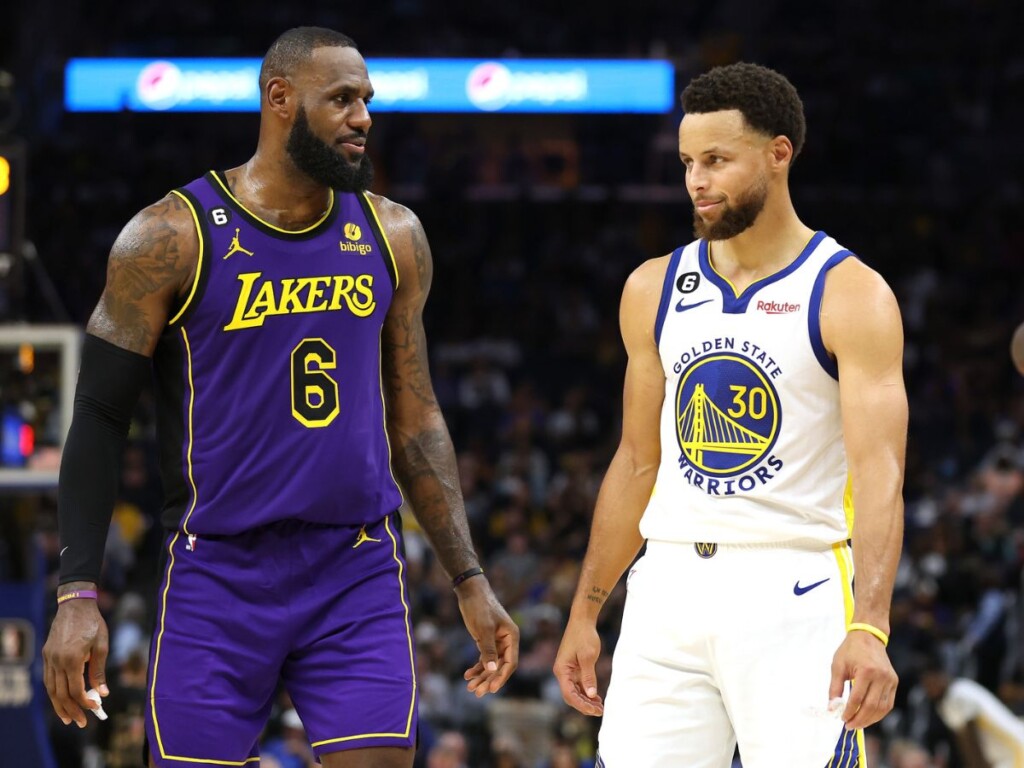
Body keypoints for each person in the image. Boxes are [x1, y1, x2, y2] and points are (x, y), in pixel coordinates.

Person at [42, 26, 519, 768]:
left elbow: (416, 414)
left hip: (353, 566)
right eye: (342, 99)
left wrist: (469, 576)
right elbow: (101, 416)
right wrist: (78, 593)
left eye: (367, 100)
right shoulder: (171, 236)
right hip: (217, 568)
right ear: (279, 99)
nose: (363, 117)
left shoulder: (394, 234)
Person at [553, 62, 906, 766]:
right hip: (668, 586)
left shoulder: (849, 292)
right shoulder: (653, 286)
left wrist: (871, 625)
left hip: (795, 586)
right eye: (687, 162)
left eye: (716, 160)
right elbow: (636, 460)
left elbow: (880, 471)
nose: (697, 181)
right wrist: (587, 610)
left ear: (779, 153)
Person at [921, 655, 1024, 768]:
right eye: (926, 685)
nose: (930, 688)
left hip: (1015, 749)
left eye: (931, 681)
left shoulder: (958, 694)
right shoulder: (948, 700)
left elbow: (970, 739)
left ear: (941, 676)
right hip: (1003, 755)